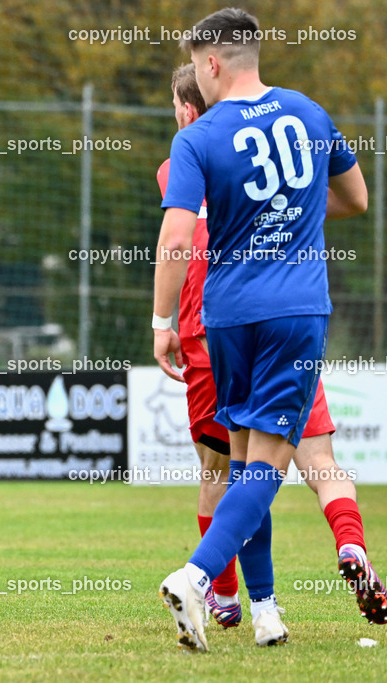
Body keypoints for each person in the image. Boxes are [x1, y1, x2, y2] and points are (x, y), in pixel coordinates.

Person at [152, 8, 370, 652]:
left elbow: (177, 235)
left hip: (222, 319)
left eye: (194, 66)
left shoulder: (198, 137)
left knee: (243, 458)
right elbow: (356, 199)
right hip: (294, 312)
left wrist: (161, 322)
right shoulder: (308, 113)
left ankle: (255, 604)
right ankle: (196, 576)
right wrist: (295, 207)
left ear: (211, 64)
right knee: (271, 467)